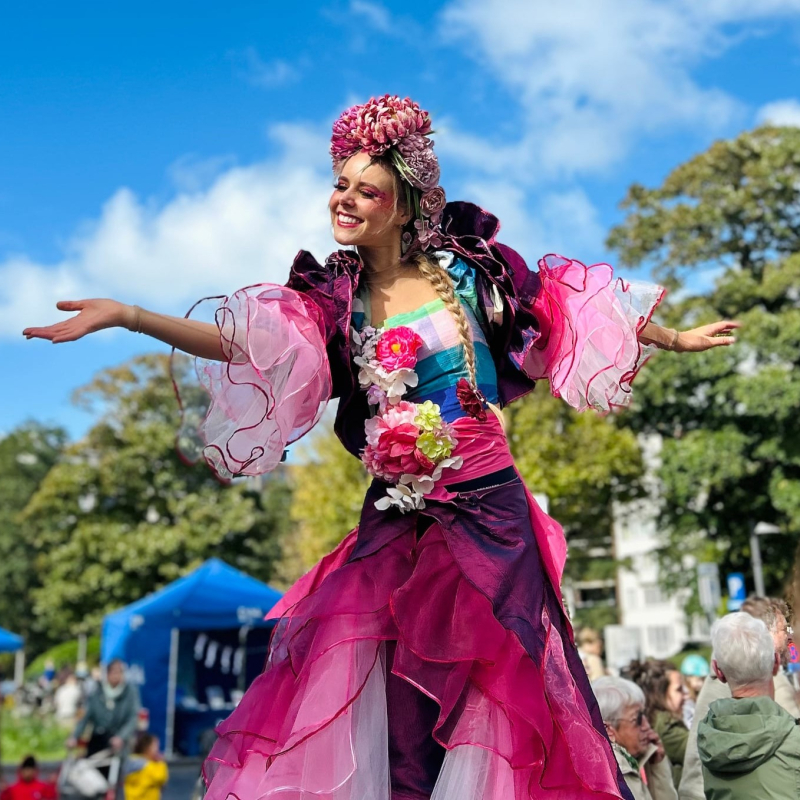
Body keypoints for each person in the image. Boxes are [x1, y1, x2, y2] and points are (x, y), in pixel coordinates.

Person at [23, 94, 738, 800]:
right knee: (393, 700)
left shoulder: (470, 274)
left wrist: (674, 338)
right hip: (396, 519)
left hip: (490, 515)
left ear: (403, 206)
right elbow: (249, 343)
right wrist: (131, 316)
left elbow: (564, 303)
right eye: (340, 184)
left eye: (367, 190)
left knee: (504, 689)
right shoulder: (335, 301)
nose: (345, 200)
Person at [678, 596, 799, 800]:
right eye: (782, 630)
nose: (789, 636)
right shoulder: (788, 729)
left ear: (719, 670)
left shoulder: (708, 733)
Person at [593, 676, 678, 800]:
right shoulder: (616, 773)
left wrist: (656, 765)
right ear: (608, 730)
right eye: (637, 719)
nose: (647, 726)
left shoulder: (623, 762)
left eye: (645, 715)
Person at [624, 660, 688, 788]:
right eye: (679, 690)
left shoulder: (654, 719)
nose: (686, 695)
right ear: (660, 694)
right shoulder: (667, 727)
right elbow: (704, 751)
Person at [67, 659, 140, 756]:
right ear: (107, 674)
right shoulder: (97, 691)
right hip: (98, 740)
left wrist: (121, 737)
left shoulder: (130, 692)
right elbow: (86, 716)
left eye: (119, 672)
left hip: (118, 744)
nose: (116, 676)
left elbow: (132, 718)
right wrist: (74, 737)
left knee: (117, 766)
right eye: (113, 672)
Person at [124, 733, 169, 800]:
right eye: (155, 746)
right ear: (147, 747)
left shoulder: (131, 760)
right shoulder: (147, 766)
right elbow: (160, 778)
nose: (158, 750)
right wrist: (161, 762)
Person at [679, 655, 709, 729]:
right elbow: (688, 721)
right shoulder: (686, 698)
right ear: (688, 678)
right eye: (699, 680)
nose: (701, 684)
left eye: (703, 680)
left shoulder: (694, 693)